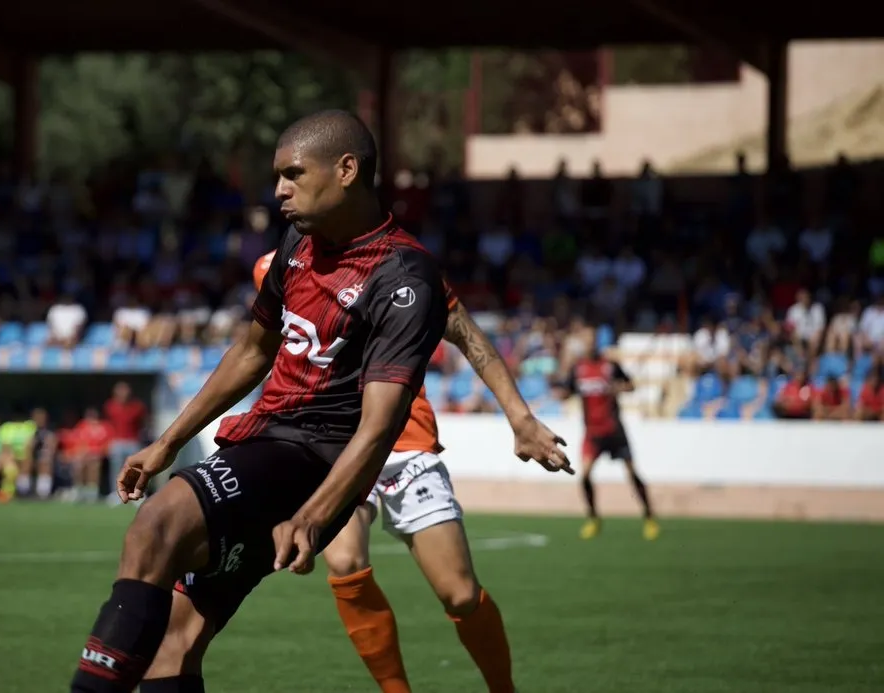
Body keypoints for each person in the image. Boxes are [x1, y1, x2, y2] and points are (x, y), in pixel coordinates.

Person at [69, 110, 569, 693]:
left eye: (293, 174)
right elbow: (252, 351)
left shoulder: (406, 277)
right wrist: (168, 442)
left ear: (347, 170)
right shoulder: (297, 244)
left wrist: (520, 417)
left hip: (331, 453)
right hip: (275, 443)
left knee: (157, 525)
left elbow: (401, 403)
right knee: (172, 646)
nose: (279, 190)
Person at [253, 251, 570, 693]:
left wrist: (521, 418)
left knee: (459, 593)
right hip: (337, 446)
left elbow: (467, 335)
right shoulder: (281, 269)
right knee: (344, 562)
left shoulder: (399, 264)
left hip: (406, 440)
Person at [555, 330, 657, 540]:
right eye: (586, 341)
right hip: (592, 432)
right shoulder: (578, 368)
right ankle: (593, 518)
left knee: (632, 473)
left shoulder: (610, 365)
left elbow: (630, 385)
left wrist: (618, 387)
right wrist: (560, 391)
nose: (590, 345)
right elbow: (566, 392)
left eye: (592, 341)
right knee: (584, 476)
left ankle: (649, 517)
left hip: (614, 430)